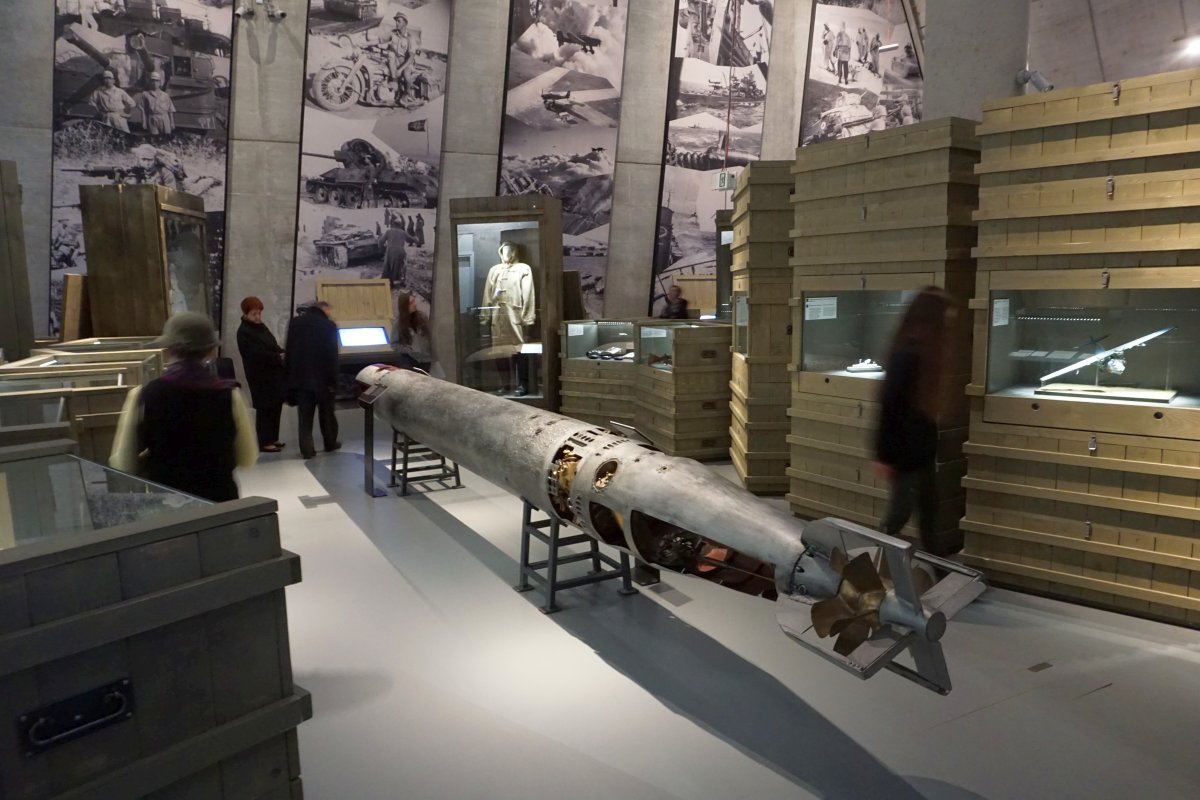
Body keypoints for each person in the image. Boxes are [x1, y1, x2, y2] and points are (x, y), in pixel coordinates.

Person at [110, 312, 257, 501]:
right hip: (221, 502)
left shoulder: (144, 395)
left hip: (168, 504)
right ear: (211, 351)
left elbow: (122, 463)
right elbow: (247, 458)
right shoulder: (230, 395)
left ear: (167, 350)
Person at [874, 287, 956, 556]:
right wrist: (884, 456)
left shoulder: (923, 353)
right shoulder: (908, 354)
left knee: (929, 512)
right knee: (901, 512)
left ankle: (937, 565)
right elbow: (890, 405)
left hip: (919, 449)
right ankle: (876, 558)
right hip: (904, 451)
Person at [285, 301, 341, 459]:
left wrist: (288, 377)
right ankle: (330, 443)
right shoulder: (328, 326)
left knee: (304, 418)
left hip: (301, 378)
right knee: (327, 414)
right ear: (324, 309)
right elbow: (332, 356)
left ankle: (307, 450)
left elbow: (289, 350)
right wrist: (334, 381)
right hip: (323, 379)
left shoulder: (295, 323)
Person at [480, 241, 536, 395]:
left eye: (510, 251)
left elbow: (528, 294)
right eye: (504, 251)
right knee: (499, 352)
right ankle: (504, 384)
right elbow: (487, 294)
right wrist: (485, 316)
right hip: (497, 318)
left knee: (519, 350)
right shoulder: (494, 270)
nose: (507, 254)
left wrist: (528, 318)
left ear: (515, 252)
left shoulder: (523, 269)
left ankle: (522, 384)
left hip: (515, 316)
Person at [236, 296, 287, 453]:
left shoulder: (261, 327)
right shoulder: (243, 332)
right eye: (254, 314)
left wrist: (282, 352)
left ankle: (273, 438)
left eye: (259, 313)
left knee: (276, 405)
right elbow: (254, 354)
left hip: (273, 373)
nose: (258, 317)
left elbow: (272, 343)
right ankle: (265, 441)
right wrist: (277, 357)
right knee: (265, 407)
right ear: (246, 313)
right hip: (260, 376)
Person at [394, 290, 432, 372]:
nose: (415, 304)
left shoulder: (422, 318)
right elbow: (394, 344)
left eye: (414, 301)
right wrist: (408, 351)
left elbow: (428, 338)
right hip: (409, 361)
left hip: (425, 360)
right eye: (411, 303)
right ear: (405, 306)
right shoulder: (398, 323)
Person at [384, 12, 415, 103]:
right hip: (395, 60)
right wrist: (365, 43)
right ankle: (394, 83)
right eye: (396, 21)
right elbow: (380, 40)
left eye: (399, 21)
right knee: (390, 55)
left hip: (406, 62)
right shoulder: (393, 33)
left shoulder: (410, 38)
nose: (396, 23)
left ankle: (406, 94)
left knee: (406, 75)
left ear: (405, 23)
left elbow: (411, 57)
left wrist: (400, 69)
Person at [136, 71, 176, 137]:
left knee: (166, 137)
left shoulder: (165, 95)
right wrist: (144, 122)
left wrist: (172, 123)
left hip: (164, 117)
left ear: (160, 83)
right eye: (153, 81)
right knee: (154, 137)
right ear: (150, 82)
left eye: (157, 81)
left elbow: (170, 110)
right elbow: (143, 110)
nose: (155, 83)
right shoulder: (145, 94)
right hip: (152, 118)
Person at [379, 216, 408, 287]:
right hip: (401, 251)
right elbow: (410, 239)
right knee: (402, 266)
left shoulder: (389, 231)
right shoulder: (403, 232)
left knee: (389, 266)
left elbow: (381, 241)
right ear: (400, 225)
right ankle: (402, 281)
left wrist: (382, 249)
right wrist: (415, 239)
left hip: (391, 251)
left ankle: (391, 282)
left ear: (393, 224)